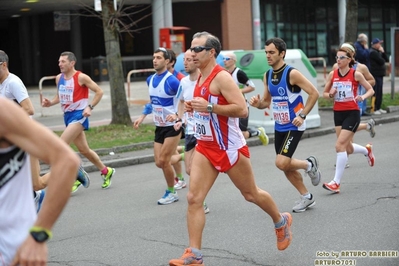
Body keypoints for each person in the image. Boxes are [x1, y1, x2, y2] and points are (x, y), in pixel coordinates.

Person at [169, 32, 292, 266]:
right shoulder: (198, 80)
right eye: (191, 49)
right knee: (194, 198)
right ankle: (194, 253)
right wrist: (193, 113)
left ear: (211, 52)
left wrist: (209, 107)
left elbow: (242, 110)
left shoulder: (222, 78)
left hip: (229, 147)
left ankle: (280, 221)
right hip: (206, 147)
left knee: (250, 194)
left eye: (197, 49)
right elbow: (204, 111)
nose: (191, 53)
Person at [0, 50, 87, 212]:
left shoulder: (13, 83)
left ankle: (70, 170)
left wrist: (8, 122)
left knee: (36, 183)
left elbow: (29, 109)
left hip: (26, 137)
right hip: (12, 140)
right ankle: (34, 198)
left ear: (3, 65)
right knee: (26, 183)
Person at [0, 96, 80, 266]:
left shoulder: (3, 111)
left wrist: (39, 235)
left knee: (38, 184)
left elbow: (66, 161)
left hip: (13, 254)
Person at [249, 37, 321, 213]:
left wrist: (302, 115)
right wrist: (257, 104)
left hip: (294, 125)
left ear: (282, 53)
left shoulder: (292, 74)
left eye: (271, 52)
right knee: (285, 166)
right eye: (266, 52)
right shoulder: (267, 75)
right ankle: (306, 196)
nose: (268, 56)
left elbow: (314, 93)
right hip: (279, 125)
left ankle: (308, 165)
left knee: (281, 163)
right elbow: (266, 102)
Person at [42, 51, 115, 192]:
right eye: (59, 61)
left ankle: (75, 173)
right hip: (67, 116)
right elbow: (60, 97)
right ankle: (106, 171)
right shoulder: (59, 78)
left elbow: (99, 91)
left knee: (60, 145)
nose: (60, 64)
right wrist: (50, 103)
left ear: (72, 63)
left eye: (63, 61)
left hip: (79, 116)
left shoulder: (81, 77)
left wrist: (90, 106)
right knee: (84, 150)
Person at [133, 47, 183, 205]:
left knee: (164, 160)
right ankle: (186, 154)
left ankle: (171, 192)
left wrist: (177, 116)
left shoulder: (173, 81)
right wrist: (142, 116)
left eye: (159, 58)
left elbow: (185, 101)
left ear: (167, 61)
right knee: (158, 163)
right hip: (159, 126)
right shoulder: (150, 79)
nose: (155, 60)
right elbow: (153, 102)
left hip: (172, 127)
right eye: (154, 57)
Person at [322, 48, 375, 193]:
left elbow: (371, 89)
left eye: (341, 57)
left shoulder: (356, 74)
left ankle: (336, 183)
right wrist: (330, 94)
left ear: (349, 60)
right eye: (336, 57)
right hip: (338, 113)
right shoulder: (333, 74)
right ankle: (366, 150)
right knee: (348, 148)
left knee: (339, 146)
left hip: (352, 113)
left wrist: (363, 97)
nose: (338, 60)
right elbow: (324, 94)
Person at [167, 49, 210, 214]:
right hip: (192, 130)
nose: (185, 62)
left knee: (197, 168)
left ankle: (200, 201)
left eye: (189, 59)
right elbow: (181, 102)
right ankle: (201, 200)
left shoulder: (205, 81)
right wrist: (178, 118)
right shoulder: (184, 82)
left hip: (207, 131)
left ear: (197, 61)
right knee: (190, 170)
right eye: (184, 60)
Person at [223, 52, 269, 145]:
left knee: (242, 134)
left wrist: (239, 92)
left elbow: (252, 86)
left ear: (234, 61)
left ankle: (259, 132)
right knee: (232, 132)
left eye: (227, 59)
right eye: (223, 59)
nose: (224, 61)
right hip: (230, 106)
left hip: (242, 105)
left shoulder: (239, 73)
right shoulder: (224, 74)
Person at [369, 38, 389, 115]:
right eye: (379, 44)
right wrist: (382, 52)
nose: (380, 45)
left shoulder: (378, 52)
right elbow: (381, 62)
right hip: (375, 74)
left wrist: (383, 53)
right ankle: (374, 108)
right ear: (375, 44)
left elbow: (386, 59)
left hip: (380, 74)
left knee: (379, 92)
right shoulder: (373, 52)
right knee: (376, 91)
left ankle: (378, 107)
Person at [354, 33, 371, 116]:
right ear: (363, 41)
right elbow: (365, 56)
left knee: (364, 90)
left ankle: (363, 109)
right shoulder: (358, 47)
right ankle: (361, 110)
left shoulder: (360, 46)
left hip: (364, 71)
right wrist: (367, 49)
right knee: (361, 91)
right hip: (361, 72)